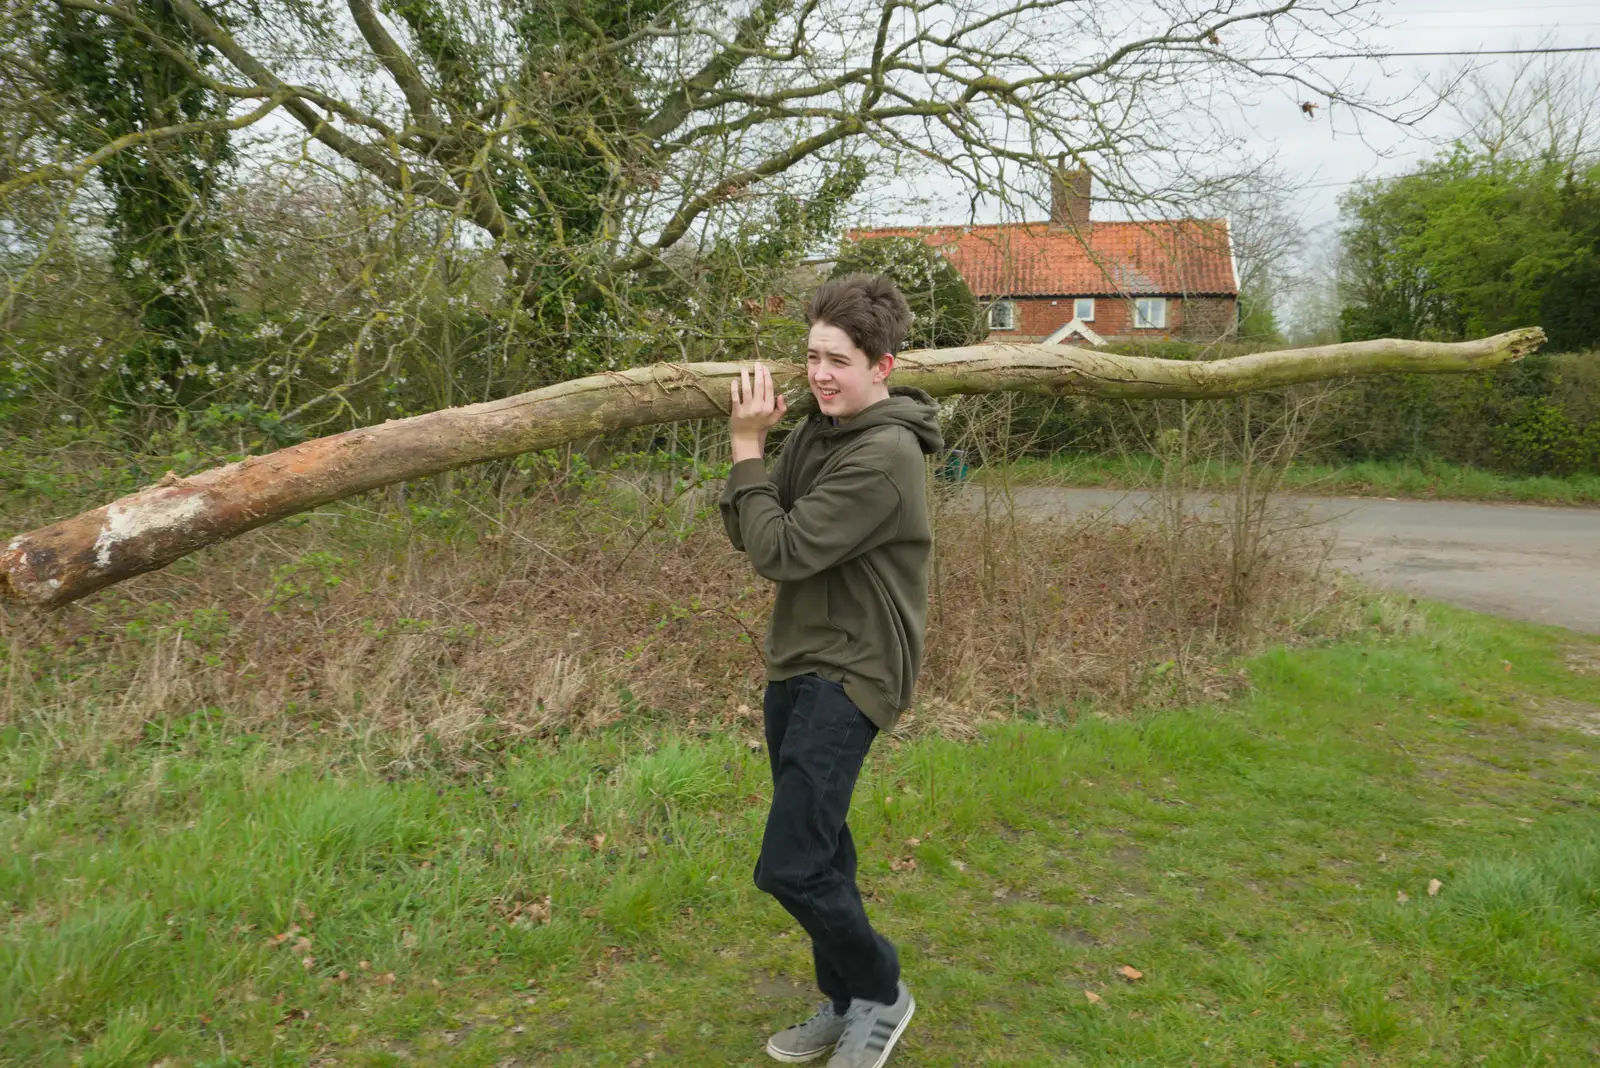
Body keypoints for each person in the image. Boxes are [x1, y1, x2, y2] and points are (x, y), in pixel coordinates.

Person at [718, 274, 944, 1067]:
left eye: (838, 361)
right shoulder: (820, 432)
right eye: (812, 356)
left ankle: (881, 992)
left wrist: (746, 446)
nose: (818, 375)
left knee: (791, 863)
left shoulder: (885, 455)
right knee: (823, 848)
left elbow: (778, 548)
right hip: (798, 660)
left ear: (883, 366)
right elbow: (747, 525)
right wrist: (755, 461)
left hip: (854, 671)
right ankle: (848, 1000)